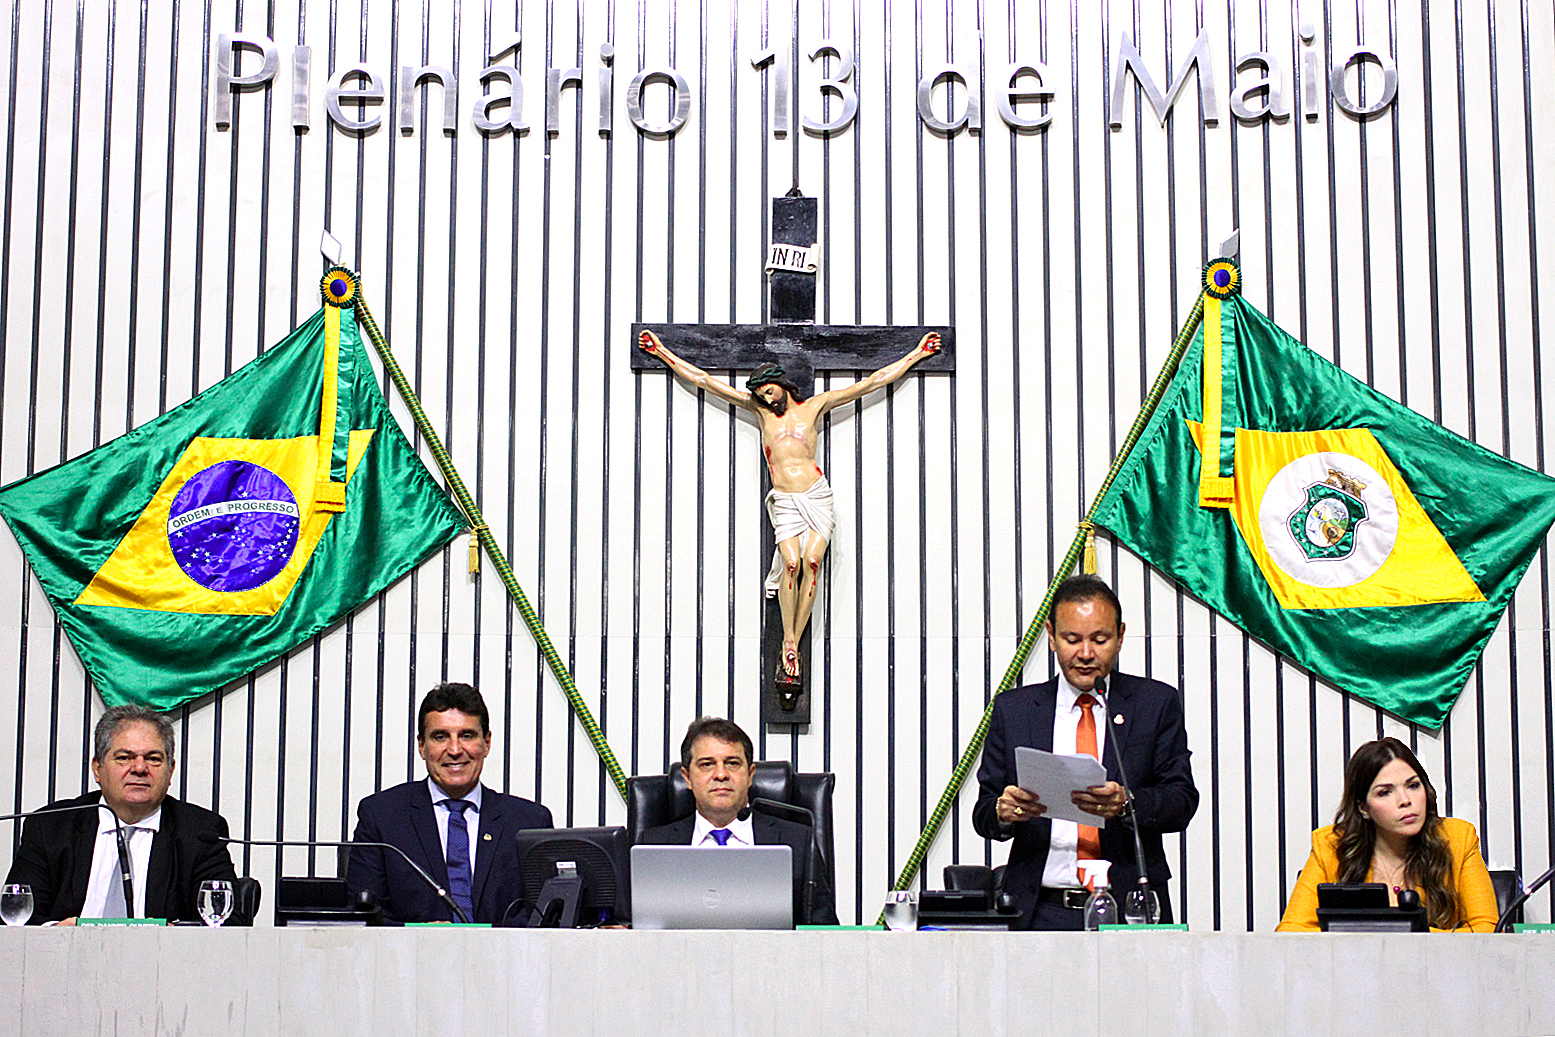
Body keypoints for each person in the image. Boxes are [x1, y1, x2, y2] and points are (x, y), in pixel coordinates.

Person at [639, 328, 941, 681]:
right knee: (792, 563)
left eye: (769, 391)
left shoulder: (815, 406)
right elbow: (705, 381)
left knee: (813, 562)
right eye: (761, 396)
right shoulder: (760, 412)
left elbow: (871, 383)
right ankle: (789, 638)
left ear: (782, 384)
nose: (767, 400)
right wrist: (662, 352)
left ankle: (794, 641)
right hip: (784, 499)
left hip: (815, 494)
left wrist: (917, 354)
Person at [973, 574, 1199, 929]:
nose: (1085, 654)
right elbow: (984, 812)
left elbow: (1182, 800)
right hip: (1037, 908)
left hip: (1128, 905)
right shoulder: (1014, 709)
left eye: (1100, 639)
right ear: (1051, 636)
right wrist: (1004, 811)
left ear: (1120, 636)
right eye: (1072, 639)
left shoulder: (1155, 704)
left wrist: (1128, 803)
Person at [5, 704, 243, 925]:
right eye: (124, 757)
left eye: (153, 759)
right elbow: (16, 915)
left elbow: (228, 923)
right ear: (97, 769)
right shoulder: (51, 826)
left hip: (163, 967)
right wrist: (56, 931)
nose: (139, 768)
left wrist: (174, 937)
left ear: (171, 771)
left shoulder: (200, 832)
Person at [348, 682, 552, 925]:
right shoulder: (382, 816)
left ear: (486, 743)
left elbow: (541, 917)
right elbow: (364, 915)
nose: (455, 750)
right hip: (407, 960)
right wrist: (421, 937)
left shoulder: (528, 822)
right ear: (422, 746)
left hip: (503, 960)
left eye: (467, 736)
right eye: (440, 737)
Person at [1276, 737, 1498, 932]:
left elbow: (1487, 929)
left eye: (1413, 786)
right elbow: (1291, 931)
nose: (1405, 800)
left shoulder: (1457, 839)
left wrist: (1411, 937)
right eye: (1385, 792)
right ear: (1363, 808)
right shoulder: (1332, 847)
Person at [637, 716, 838, 925]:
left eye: (732, 763)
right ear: (687, 777)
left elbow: (824, 933)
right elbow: (636, 930)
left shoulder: (798, 842)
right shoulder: (652, 845)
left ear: (750, 775)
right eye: (707, 764)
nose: (721, 774)